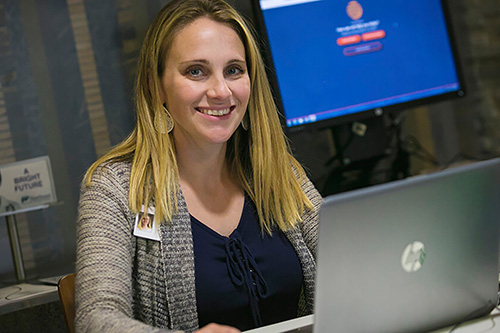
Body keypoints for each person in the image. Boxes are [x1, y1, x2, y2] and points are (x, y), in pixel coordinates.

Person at [76, 0, 322, 332]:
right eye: (196, 71)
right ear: (156, 86)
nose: (221, 91)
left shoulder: (282, 173)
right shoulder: (114, 189)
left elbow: (354, 265)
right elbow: (96, 321)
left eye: (234, 70)